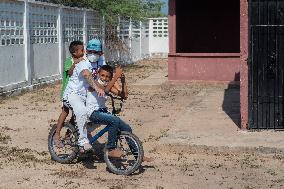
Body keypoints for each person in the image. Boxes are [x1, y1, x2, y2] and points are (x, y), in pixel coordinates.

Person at [86, 65, 154, 161]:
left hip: (102, 112)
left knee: (126, 128)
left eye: (107, 77)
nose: (104, 78)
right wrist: (116, 76)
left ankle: (138, 156)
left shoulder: (107, 85)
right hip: (92, 112)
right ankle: (110, 148)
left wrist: (123, 80)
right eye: (102, 75)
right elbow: (105, 90)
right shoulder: (94, 83)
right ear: (98, 74)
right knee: (114, 120)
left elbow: (124, 95)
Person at [62, 39, 105, 151]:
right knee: (81, 111)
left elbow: (104, 76)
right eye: (90, 51)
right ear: (86, 51)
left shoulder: (100, 61)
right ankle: (83, 142)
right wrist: (97, 88)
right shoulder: (82, 61)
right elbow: (86, 75)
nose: (93, 54)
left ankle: (83, 132)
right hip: (73, 94)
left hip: (87, 94)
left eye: (96, 52)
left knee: (101, 113)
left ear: (100, 53)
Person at [54, 41, 85, 148]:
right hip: (68, 92)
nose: (84, 51)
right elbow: (70, 72)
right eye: (82, 50)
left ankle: (68, 134)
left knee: (76, 114)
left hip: (77, 93)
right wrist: (76, 63)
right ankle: (57, 134)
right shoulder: (69, 61)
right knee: (65, 111)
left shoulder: (83, 60)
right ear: (75, 53)